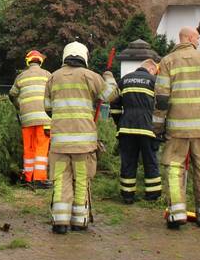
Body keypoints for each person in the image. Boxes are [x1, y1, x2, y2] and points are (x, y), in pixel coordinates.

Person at [45, 41, 118, 234]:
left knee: (61, 179)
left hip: (60, 142)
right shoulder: (90, 76)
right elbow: (110, 95)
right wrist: (109, 78)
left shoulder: (53, 77)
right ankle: (79, 220)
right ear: (84, 56)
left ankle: (60, 222)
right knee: (81, 179)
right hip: (83, 144)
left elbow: (47, 107)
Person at [154, 27, 200, 229]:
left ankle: (177, 214)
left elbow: (161, 100)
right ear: (191, 38)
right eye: (197, 37)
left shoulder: (167, 62)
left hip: (177, 129)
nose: (198, 40)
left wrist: (157, 127)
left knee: (175, 167)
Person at [111, 57, 163, 204]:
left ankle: (127, 195)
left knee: (128, 162)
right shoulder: (154, 82)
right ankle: (152, 196)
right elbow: (161, 106)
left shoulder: (124, 80)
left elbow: (114, 105)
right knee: (150, 161)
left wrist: (119, 122)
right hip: (147, 129)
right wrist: (160, 129)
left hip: (126, 129)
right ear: (152, 69)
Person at [8, 50, 53, 188]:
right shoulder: (48, 75)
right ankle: (39, 179)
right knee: (42, 146)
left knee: (29, 147)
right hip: (44, 119)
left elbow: (12, 94)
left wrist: (19, 105)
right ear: (40, 61)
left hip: (26, 119)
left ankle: (28, 178)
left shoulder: (21, 77)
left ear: (28, 61)